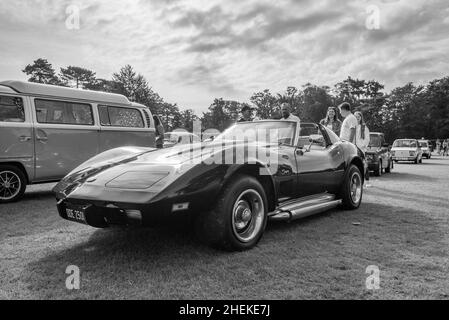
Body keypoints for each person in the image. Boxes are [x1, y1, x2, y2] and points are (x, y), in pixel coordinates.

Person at [354, 111, 371, 187]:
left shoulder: (364, 127)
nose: (357, 118)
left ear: (361, 117)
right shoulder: (352, 126)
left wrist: (362, 145)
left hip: (361, 149)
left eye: (359, 116)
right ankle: (357, 181)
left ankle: (366, 181)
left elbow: (367, 139)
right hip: (353, 148)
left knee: (364, 165)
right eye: (356, 116)